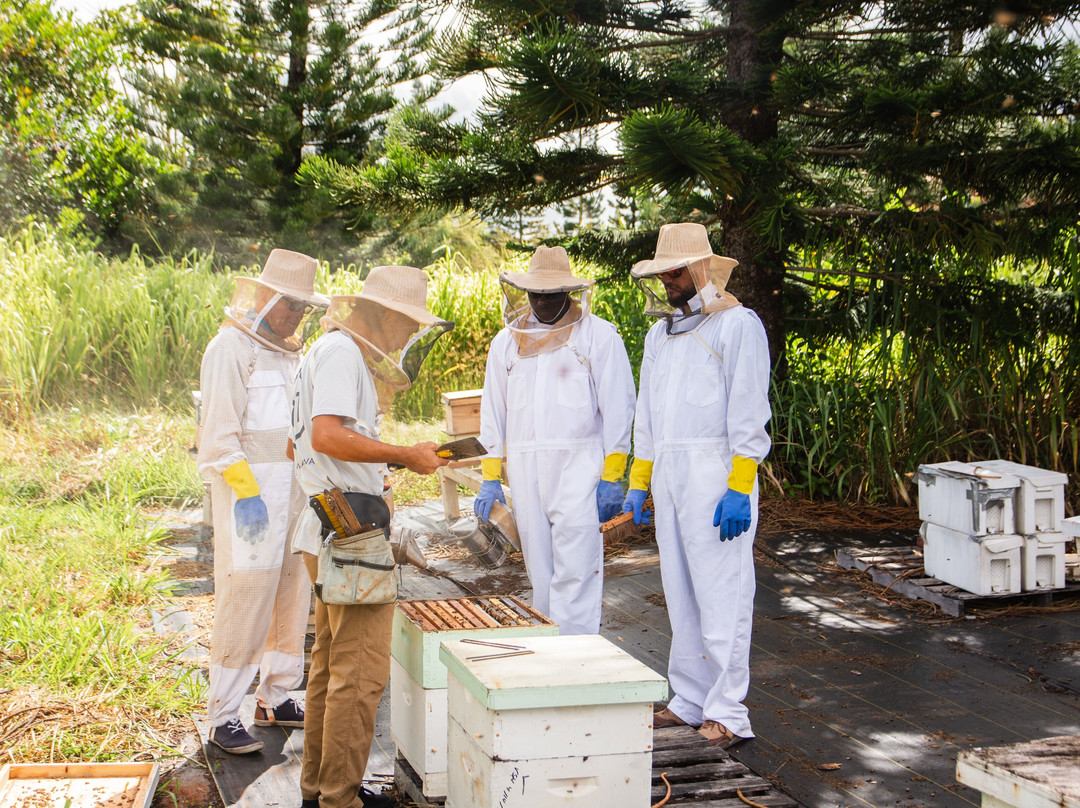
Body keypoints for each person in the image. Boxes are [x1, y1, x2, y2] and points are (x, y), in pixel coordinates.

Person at [289, 265, 453, 808]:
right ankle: (340, 799)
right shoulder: (341, 354)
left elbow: (301, 448)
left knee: (330, 667)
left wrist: (376, 470)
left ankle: (319, 789)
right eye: (408, 327)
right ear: (387, 315)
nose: (408, 339)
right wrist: (404, 454)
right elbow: (327, 435)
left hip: (325, 526)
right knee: (360, 675)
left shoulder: (322, 351)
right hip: (351, 535)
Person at [620, 223, 771, 749]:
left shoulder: (738, 326)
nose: (668, 281)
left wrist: (740, 483)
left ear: (703, 269)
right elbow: (647, 415)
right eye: (663, 272)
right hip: (670, 477)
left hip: (718, 477)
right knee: (680, 592)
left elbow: (749, 409)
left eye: (676, 271)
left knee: (723, 593)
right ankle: (688, 699)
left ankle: (728, 711)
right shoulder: (658, 335)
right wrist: (640, 481)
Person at [196, 248, 329, 754]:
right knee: (245, 598)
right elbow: (219, 439)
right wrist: (250, 496)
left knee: (292, 593)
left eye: (303, 307)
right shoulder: (229, 348)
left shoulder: (293, 352)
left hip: (296, 492)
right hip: (249, 499)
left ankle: (275, 694)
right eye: (289, 304)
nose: (296, 315)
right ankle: (224, 713)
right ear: (265, 296)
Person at [474, 245, 636, 635]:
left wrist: (614, 474)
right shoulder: (506, 343)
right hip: (526, 471)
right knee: (539, 571)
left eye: (551, 293)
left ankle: (576, 664)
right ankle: (548, 657)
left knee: (577, 571)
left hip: (579, 470)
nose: (543, 302)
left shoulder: (598, 336)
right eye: (536, 294)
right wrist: (490, 474)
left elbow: (620, 406)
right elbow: (492, 411)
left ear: (569, 291)